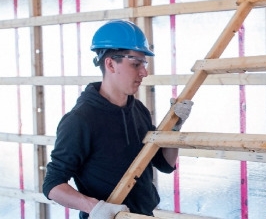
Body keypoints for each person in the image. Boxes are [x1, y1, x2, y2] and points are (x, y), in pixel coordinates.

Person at [43, 20, 193, 218]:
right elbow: (53, 184)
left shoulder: (138, 109)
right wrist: (94, 207)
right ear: (110, 63)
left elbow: (164, 165)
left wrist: (173, 131)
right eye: (136, 64)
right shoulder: (80, 120)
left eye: (144, 64)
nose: (144, 72)